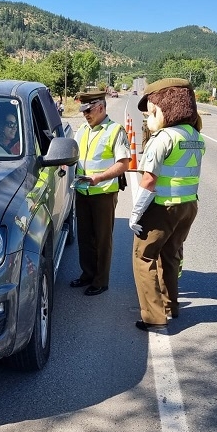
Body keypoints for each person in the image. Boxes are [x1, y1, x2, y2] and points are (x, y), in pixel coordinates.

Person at [129, 78, 205, 332]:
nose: (149, 117)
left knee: (144, 256)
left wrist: (136, 213)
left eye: (151, 110)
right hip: (188, 206)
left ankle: (153, 317)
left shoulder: (163, 138)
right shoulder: (195, 136)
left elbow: (149, 180)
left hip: (164, 206)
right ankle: (171, 305)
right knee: (171, 255)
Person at [71, 90, 130, 296]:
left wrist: (99, 178)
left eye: (89, 110)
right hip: (82, 191)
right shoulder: (82, 130)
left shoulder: (115, 130)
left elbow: (123, 164)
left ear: (101, 107)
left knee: (103, 239)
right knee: (84, 237)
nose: (85, 115)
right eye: (83, 111)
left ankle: (100, 280)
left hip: (103, 192)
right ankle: (87, 274)